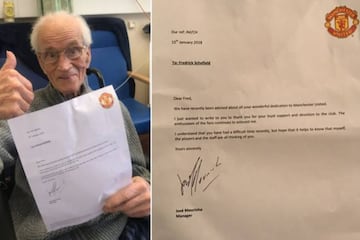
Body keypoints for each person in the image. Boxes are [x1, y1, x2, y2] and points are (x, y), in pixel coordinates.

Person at [0, 11, 150, 240]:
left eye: (73, 51)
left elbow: (139, 170)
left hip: (113, 230)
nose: (64, 65)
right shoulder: (22, 110)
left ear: (87, 54)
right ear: (41, 62)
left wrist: (145, 189)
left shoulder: (113, 108)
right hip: (45, 233)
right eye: (50, 54)